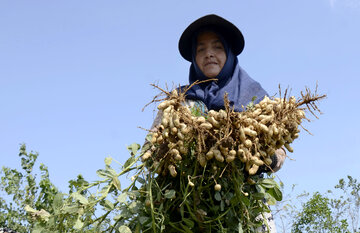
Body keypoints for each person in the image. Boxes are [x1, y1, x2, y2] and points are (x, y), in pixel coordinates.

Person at [149, 14, 285, 232]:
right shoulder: (178, 99)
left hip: (245, 206)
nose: (209, 54)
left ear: (229, 53)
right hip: (188, 212)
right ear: (194, 56)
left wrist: (259, 152)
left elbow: (279, 155)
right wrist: (170, 150)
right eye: (200, 49)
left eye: (217, 47)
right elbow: (151, 146)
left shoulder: (256, 98)